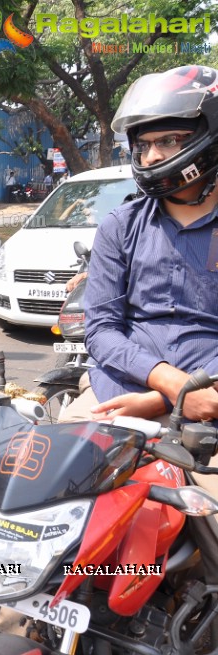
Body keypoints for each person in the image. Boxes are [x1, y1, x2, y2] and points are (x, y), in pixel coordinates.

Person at [58, 64, 218, 426]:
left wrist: (177, 397)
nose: (151, 158)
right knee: (55, 470)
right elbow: (101, 329)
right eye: (142, 145)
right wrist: (169, 388)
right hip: (117, 393)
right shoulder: (120, 226)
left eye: (168, 141)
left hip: (211, 402)